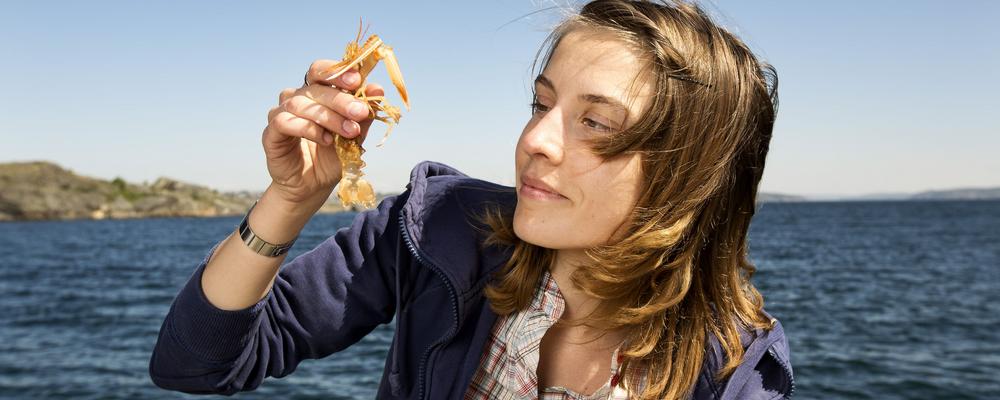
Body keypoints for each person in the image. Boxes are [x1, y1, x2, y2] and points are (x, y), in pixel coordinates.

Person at [148, 0, 793, 399]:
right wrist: (292, 199)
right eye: (541, 104)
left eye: (596, 123)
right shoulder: (437, 227)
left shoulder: (734, 372)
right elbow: (197, 365)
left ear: (694, 174)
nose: (535, 139)